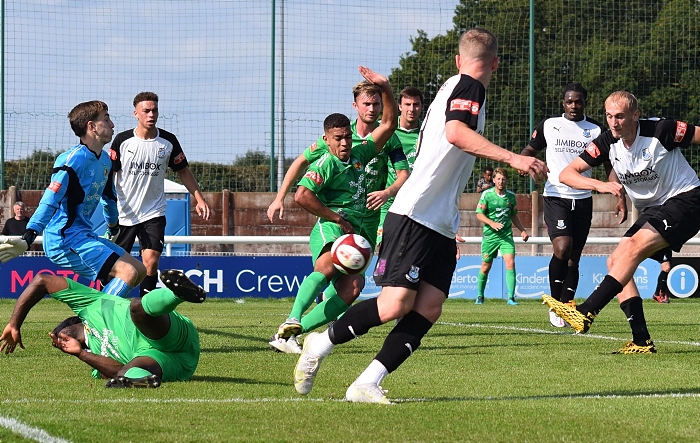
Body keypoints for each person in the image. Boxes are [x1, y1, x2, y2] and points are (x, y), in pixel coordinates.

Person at [293, 28, 547, 403]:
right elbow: (457, 133)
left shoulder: (453, 84)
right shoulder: (471, 86)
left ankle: (367, 382)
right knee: (396, 304)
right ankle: (318, 342)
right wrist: (515, 158)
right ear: (495, 62)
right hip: (414, 213)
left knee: (429, 306)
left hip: (440, 222)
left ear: (459, 59)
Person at [545, 91, 700, 354]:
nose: (613, 123)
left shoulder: (661, 130)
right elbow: (567, 173)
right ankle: (641, 340)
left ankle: (585, 311)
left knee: (632, 248)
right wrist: (601, 185)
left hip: (686, 199)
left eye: (619, 116)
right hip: (654, 210)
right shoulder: (607, 141)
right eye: (608, 116)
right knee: (616, 261)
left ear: (635, 115)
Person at [267, 76, 408, 354]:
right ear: (327, 139)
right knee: (327, 266)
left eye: (347, 138)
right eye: (339, 138)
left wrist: (387, 88)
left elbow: (391, 125)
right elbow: (303, 194)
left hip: (361, 226)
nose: (344, 143)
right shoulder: (326, 159)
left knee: (354, 286)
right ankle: (293, 316)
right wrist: (332, 217)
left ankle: (289, 335)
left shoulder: (362, 151)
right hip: (333, 225)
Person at [0, 101, 146, 298]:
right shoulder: (71, 160)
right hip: (63, 239)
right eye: (107, 119)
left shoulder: (105, 160)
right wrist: (29, 236)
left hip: (84, 235)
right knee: (127, 273)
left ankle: (94, 317)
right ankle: (95, 324)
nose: (112, 124)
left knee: (139, 270)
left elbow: (109, 198)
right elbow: (50, 200)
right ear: (91, 126)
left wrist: (113, 228)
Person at [520, 83, 626, 327]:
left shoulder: (596, 130)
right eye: (569, 101)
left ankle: (567, 306)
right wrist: (525, 164)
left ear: (585, 103)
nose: (574, 106)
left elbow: (610, 165)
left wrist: (620, 195)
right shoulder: (549, 126)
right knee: (563, 246)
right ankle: (555, 303)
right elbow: (529, 150)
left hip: (584, 199)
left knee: (573, 258)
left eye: (578, 101)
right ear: (563, 103)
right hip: (556, 195)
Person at [0, 269, 205, 387]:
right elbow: (116, 371)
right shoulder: (93, 359)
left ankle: (177, 294)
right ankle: (142, 381)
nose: (58, 341)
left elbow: (42, 281)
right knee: (126, 374)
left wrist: (14, 324)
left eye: (58, 334)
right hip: (168, 361)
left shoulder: (87, 304)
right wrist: (81, 354)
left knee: (136, 308)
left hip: (168, 334)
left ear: (71, 324)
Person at [110, 92, 211, 297]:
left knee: (152, 260)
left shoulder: (168, 141)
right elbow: (109, 174)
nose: (151, 114)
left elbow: (183, 170)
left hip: (153, 212)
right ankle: (108, 306)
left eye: (154, 110)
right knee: (117, 265)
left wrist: (199, 199)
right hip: (124, 213)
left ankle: (146, 310)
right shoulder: (122, 141)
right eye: (146, 110)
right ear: (135, 113)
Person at [376, 86, 423, 247]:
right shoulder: (386, 129)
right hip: (389, 201)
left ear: (421, 107)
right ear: (399, 106)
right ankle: (380, 273)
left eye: (415, 104)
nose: (412, 109)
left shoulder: (427, 132)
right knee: (384, 247)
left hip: (417, 203)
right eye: (407, 104)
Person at [475, 167, 529, 305]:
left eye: (503, 179)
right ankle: (480, 296)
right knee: (486, 266)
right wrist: (491, 223)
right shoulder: (487, 195)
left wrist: (522, 230)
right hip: (490, 237)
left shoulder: (511, 196)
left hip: (506, 236)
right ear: (493, 180)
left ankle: (511, 298)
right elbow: (479, 214)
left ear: (506, 181)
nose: (501, 181)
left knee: (510, 263)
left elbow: (514, 215)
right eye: (498, 179)